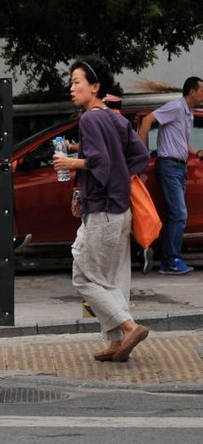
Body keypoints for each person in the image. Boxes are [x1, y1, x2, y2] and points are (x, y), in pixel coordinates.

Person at [52, 56, 151, 362]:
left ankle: (129, 327)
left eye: (77, 82)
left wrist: (70, 162)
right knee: (113, 278)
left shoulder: (89, 120)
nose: (72, 88)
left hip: (102, 210)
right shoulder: (116, 119)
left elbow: (100, 163)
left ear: (94, 87)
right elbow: (140, 156)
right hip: (121, 210)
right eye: (71, 83)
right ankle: (116, 342)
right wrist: (118, 174)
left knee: (85, 278)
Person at [137, 76, 203, 275]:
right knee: (179, 214)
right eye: (202, 90)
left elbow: (181, 142)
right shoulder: (175, 107)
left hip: (179, 167)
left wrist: (197, 152)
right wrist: (140, 154)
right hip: (169, 166)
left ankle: (169, 258)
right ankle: (172, 261)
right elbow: (148, 120)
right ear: (192, 91)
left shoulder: (188, 113)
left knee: (174, 214)